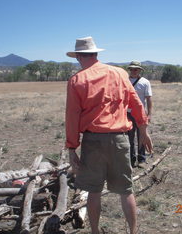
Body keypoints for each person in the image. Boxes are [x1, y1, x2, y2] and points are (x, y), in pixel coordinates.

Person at [65, 36, 153, 234]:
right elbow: (136, 103)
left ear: (79, 56)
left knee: (93, 191)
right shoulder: (119, 73)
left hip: (93, 140)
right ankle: (133, 231)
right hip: (121, 138)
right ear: (96, 53)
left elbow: (72, 116)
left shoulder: (77, 80)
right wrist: (143, 130)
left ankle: (95, 231)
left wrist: (72, 147)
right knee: (126, 190)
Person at [127, 61, 153, 167]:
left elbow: (149, 99)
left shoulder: (145, 82)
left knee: (142, 136)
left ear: (140, 70)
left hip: (141, 114)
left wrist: (150, 114)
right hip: (127, 113)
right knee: (129, 138)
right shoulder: (125, 81)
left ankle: (141, 159)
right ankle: (131, 160)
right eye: (132, 69)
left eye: (136, 69)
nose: (133, 71)